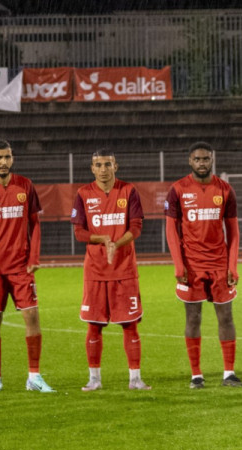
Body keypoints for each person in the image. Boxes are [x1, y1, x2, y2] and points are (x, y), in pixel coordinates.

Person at [0, 139, 54, 393]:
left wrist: (34, 257)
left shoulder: (25, 185)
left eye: (7, 157)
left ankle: (34, 377)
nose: (4, 162)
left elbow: (35, 223)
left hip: (21, 267)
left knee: (32, 316)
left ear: (12, 159)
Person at [165, 142, 242, 389]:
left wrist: (233, 265)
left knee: (226, 316)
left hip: (219, 264)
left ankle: (228, 373)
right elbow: (171, 230)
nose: (202, 163)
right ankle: (196, 376)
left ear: (212, 160)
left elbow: (233, 231)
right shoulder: (177, 189)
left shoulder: (225, 190)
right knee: (193, 317)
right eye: (197, 159)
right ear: (190, 161)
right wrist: (179, 265)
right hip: (192, 265)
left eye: (206, 159)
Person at [71, 149, 150, 392]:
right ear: (92, 168)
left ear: (116, 166)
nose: (103, 169)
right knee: (94, 326)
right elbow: (79, 232)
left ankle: (135, 379)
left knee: (130, 325)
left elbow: (136, 227)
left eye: (107, 164)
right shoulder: (83, 194)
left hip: (124, 270)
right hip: (95, 272)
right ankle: (94, 379)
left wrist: (117, 243)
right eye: (98, 164)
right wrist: (102, 239)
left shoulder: (129, 191)